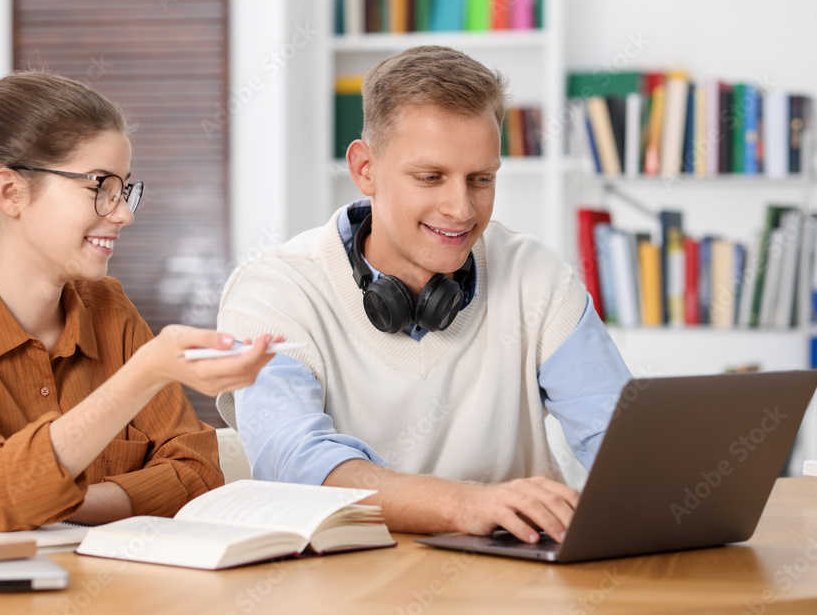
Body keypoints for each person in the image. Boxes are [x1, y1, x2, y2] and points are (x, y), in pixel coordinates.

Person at [215, 46, 631, 544]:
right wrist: (469, 504)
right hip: (351, 589)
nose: (461, 208)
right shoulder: (273, 292)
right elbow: (297, 466)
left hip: (518, 585)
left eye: (481, 179)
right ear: (365, 168)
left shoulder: (535, 275)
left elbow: (622, 445)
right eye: (430, 178)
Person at [0, 71, 279, 534]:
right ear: (10, 192)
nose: (122, 212)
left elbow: (197, 474)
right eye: (100, 187)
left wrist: (64, 500)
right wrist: (146, 373)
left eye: (124, 189)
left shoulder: (109, 307)